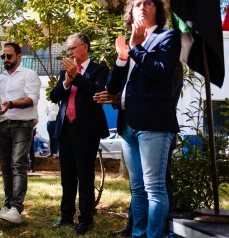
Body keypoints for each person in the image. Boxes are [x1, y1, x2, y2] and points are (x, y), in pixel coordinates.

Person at [106, 0, 181, 237]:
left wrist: (136, 49)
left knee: (155, 189)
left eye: (149, 2)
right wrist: (121, 58)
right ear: (131, 12)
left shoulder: (168, 37)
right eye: (137, 3)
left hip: (155, 123)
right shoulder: (129, 44)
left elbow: (160, 72)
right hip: (128, 124)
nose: (142, 7)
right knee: (137, 189)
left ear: (158, 10)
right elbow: (112, 87)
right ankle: (138, 234)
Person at [94, 61, 184, 237]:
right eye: (131, 31)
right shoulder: (125, 60)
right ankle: (136, 229)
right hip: (128, 126)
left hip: (156, 129)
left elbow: (163, 97)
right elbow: (115, 90)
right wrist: (117, 97)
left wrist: (123, 96)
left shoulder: (170, 61)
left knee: (158, 185)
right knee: (137, 187)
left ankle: (161, 232)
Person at [50, 32, 109, 235]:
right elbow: (54, 95)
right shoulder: (65, 71)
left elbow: (97, 92)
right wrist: (67, 81)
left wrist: (77, 77)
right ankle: (66, 215)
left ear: (85, 47)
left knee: (85, 175)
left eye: (73, 48)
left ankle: (85, 218)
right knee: (67, 176)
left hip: (87, 130)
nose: (70, 53)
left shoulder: (100, 69)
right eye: (68, 50)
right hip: (65, 128)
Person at [0, 42, 41, 224]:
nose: (6, 60)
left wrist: (9, 103)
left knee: (18, 165)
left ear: (19, 56)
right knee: (5, 167)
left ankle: (16, 209)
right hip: (3, 125)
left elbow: (31, 100)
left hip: (22, 125)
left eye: (9, 56)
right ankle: (7, 206)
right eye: (4, 56)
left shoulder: (29, 74)